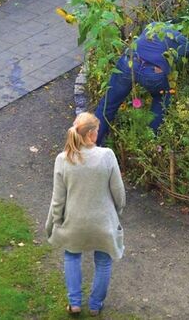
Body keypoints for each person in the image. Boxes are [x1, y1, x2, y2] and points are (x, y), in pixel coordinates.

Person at [93, 22, 189, 146]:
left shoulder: (152, 25)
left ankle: (90, 145)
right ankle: (150, 141)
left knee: (108, 104)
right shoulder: (180, 39)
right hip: (152, 73)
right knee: (163, 97)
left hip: (127, 63)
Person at [45, 113, 126, 316]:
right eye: (97, 130)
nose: (98, 133)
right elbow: (119, 192)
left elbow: (58, 198)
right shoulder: (107, 155)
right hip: (102, 222)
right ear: (91, 134)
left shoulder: (63, 159)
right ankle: (95, 306)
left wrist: (58, 219)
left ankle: (74, 303)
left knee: (72, 256)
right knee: (104, 261)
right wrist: (117, 212)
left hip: (74, 222)